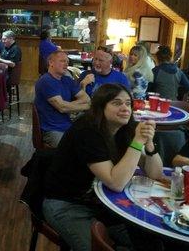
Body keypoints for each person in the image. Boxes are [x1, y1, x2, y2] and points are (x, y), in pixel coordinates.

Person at [42, 84, 164, 251]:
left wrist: (149, 144)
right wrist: (137, 143)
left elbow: (155, 174)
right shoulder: (87, 131)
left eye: (128, 103)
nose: (125, 108)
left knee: (152, 243)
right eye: (116, 103)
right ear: (100, 107)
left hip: (105, 204)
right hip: (67, 205)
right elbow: (115, 182)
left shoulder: (124, 129)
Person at [35, 51, 90, 147]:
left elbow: (86, 98)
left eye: (67, 62)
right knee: (74, 152)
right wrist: (88, 106)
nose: (66, 64)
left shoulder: (67, 80)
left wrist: (70, 105)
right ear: (51, 63)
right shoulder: (46, 81)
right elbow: (62, 108)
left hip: (68, 126)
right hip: (52, 130)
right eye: (62, 61)